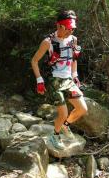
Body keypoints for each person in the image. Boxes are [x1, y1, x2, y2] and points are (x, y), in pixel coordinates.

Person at [31, 10, 88, 149]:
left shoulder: (73, 40)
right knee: (63, 113)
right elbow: (34, 61)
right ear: (59, 26)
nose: (70, 31)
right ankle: (54, 136)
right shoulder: (48, 42)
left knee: (82, 109)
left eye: (72, 28)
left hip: (68, 79)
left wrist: (75, 76)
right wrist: (39, 80)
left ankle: (65, 126)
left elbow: (74, 59)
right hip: (54, 80)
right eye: (68, 28)